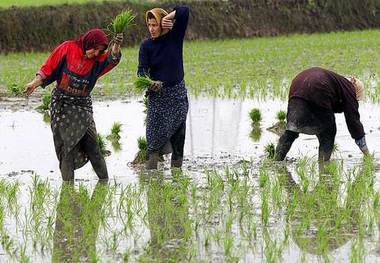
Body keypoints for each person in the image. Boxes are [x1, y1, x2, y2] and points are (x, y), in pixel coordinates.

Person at [24, 29, 123, 180]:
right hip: (62, 105)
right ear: (88, 43)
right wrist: (34, 83)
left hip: (83, 106)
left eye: (100, 50)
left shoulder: (97, 61)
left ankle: (105, 183)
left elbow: (112, 59)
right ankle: (68, 190)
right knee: (67, 149)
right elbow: (48, 68)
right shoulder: (68, 48)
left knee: (93, 146)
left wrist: (115, 44)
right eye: (94, 48)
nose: (96, 53)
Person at [275, 67, 369, 162]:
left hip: (297, 84)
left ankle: (276, 161)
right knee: (328, 132)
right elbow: (353, 121)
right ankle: (323, 165)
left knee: (292, 130)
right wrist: (366, 153)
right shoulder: (349, 88)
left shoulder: (338, 81)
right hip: (318, 86)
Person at [137, 5, 190, 170]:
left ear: (162, 24)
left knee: (178, 141)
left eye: (155, 25)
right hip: (157, 97)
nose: (151, 29)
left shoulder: (175, 37)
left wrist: (169, 17)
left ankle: (177, 176)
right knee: (153, 142)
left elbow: (184, 10)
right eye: (149, 25)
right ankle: (152, 178)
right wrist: (149, 82)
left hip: (177, 97)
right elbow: (141, 71)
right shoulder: (146, 46)